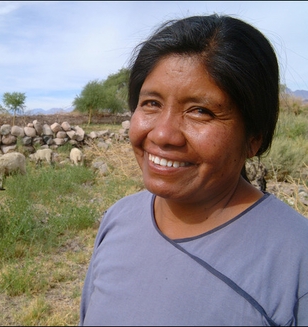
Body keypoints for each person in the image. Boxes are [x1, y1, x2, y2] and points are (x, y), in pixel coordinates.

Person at [79, 14, 308, 326]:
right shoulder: (118, 219)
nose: (162, 134)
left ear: (254, 138)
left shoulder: (296, 262)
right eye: (151, 104)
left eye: (200, 111)